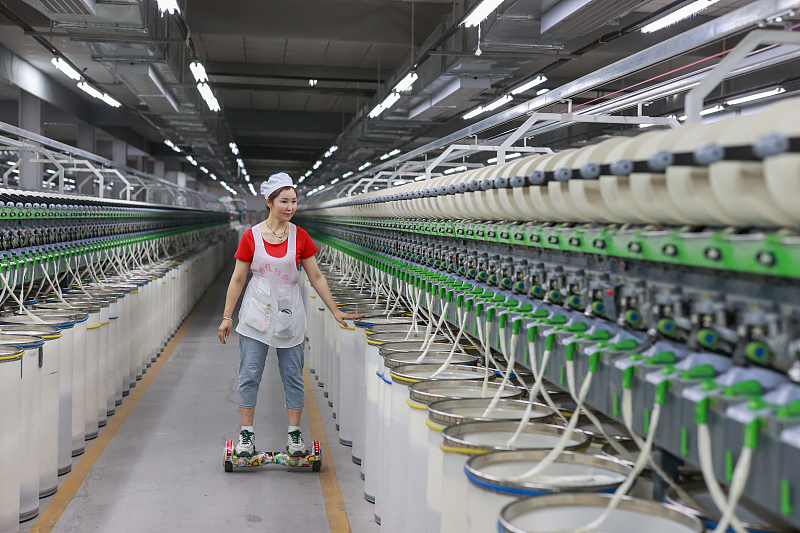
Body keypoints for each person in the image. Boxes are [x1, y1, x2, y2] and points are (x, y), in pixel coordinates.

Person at [218, 172, 360, 457]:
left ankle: (294, 435)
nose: (290, 207)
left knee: (293, 376)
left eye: (294, 201)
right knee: (249, 375)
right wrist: (227, 316)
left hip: (289, 313)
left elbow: (316, 275)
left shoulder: (300, 236)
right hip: (256, 313)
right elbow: (237, 279)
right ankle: (246, 435)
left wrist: (334, 309)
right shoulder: (251, 236)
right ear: (269, 202)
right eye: (284, 201)